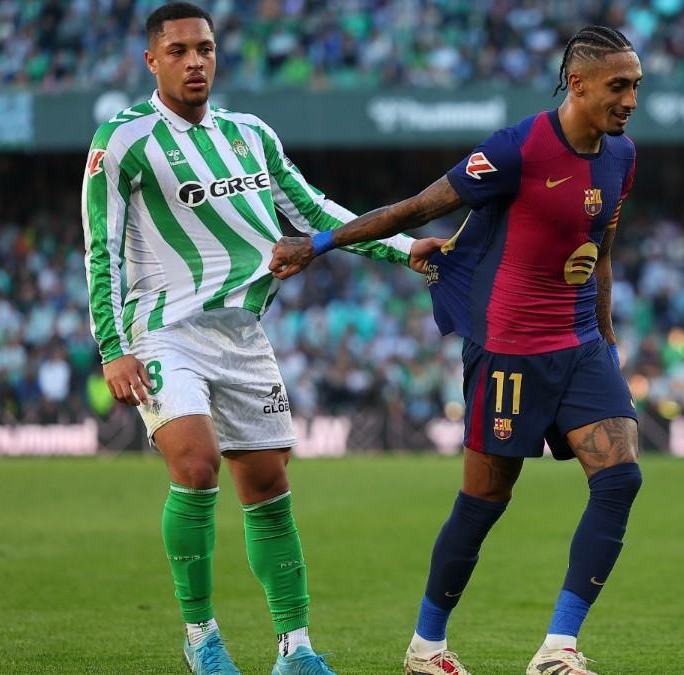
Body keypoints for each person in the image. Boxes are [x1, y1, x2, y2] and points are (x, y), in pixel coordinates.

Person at [269, 26, 643, 675]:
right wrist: (319, 243)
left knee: (620, 478)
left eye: (636, 86)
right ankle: (427, 646)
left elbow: (601, 252)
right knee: (485, 501)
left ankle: (557, 648)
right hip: (509, 351)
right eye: (619, 86)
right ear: (577, 83)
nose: (631, 100)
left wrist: (608, 342)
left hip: (580, 343)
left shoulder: (622, 156)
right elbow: (418, 208)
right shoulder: (516, 148)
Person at [81, 4, 441, 674]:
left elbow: (314, 210)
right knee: (196, 464)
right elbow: (100, 248)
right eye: (179, 50)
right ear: (152, 61)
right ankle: (201, 636)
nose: (195, 61)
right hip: (162, 331)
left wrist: (403, 248)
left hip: (243, 333)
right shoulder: (123, 140)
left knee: (269, 485)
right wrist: (112, 346)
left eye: (205, 48)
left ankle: (295, 649)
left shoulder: (251, 134)